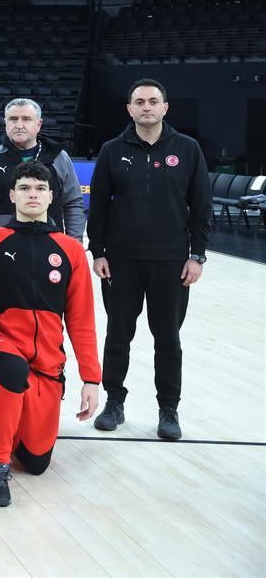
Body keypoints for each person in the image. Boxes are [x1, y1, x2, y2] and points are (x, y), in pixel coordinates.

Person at [0, 161, 99, 507]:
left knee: (37, 461)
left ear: (52, 196)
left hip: (47, 360)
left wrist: (91, 378)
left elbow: (82, 318)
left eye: (40, 189)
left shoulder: (70, 250)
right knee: (11, 376)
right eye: (24, 188)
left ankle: (4, 423)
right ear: (12, 195)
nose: (32, 195)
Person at [88, 78, 212, 441]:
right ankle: (114, 402)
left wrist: (197, 256)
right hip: (121, 260)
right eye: (139, 101)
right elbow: (98, 208)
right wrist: (98, 252)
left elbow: (201, 205)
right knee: (118, 335)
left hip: (171, 261)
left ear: (165, 107)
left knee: (168, 338)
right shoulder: (112, 150)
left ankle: (168, 409)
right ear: (129, 109)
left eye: (153, 101)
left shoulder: (188, 149)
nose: (146, 106)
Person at [0, 97, 85, 241]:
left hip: (49, 246)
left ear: (38, 124)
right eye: (13, 119)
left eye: (26, 119)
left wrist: (76, 244)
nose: (19, 125)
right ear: (5, 123)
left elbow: (72, 203)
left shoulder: (59, 158)